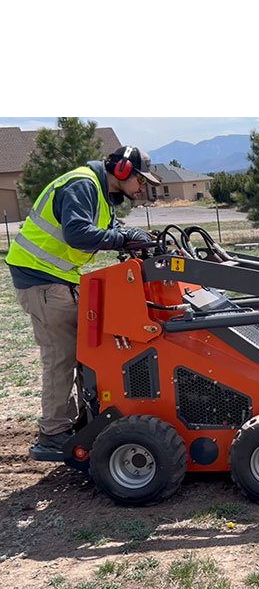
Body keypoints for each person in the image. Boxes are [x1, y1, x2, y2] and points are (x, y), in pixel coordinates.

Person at [5, 146, 161, 458]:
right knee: (61, 355)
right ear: (121, 172)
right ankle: (53, 431)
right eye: (140, 181)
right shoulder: (83, 185)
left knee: (87, 352)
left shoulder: (102, 194)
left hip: (59, 277)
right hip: (40, 279)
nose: (142, 188)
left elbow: (110, 230)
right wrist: (122, 239)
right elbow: (78, 233)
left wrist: (133, 236)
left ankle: (83, 419)